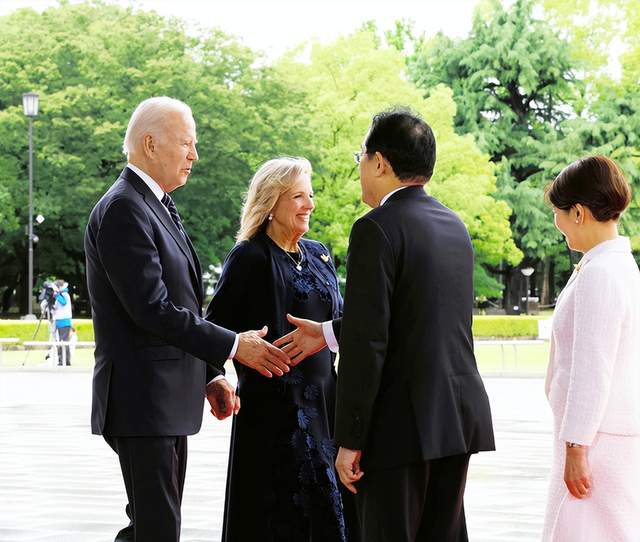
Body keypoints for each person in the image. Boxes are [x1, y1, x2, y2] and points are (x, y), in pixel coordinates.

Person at [275, 109, 495, 541]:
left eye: (361, 155)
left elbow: (370, 340)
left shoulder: (376, 228)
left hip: (399, 427)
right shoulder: (454, 225)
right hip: (454, 420)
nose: (360, 167)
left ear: (379, 162)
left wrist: (350, 439)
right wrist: (327, 332)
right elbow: (416, 318)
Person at [84, 97, 291, 542]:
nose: (194, 155)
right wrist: (235, 346)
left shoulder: (153, 203)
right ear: (150, 144)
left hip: (162, 400)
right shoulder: (124, 208)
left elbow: (179, 305)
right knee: (157, 529)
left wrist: (207, 377)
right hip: (142, 402)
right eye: (187, 143)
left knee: (152, 527)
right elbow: (152, 309)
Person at [205, 157, 357, 541]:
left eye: (311, 195)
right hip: (273, 417)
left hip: (328, 408)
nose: (310, 204)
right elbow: (211, 328)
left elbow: (343, 325)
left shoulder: (321, 255)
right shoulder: (249, 257)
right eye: (298, 196)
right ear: (271, 202)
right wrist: (216, 377)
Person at [542, 156, 640, 541]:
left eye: (559, 213)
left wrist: (576, 446)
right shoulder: (617, 266)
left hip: (596, 443)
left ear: (579, 212)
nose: (558, 224)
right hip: (608, 437)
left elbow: (592, 367)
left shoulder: (600, 273)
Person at [52, 279, 72, 366]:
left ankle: (65, 360)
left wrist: (56, 295)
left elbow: (63, 302)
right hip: (60, 321)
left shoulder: (64, 294)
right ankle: (61, 360)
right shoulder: (61, 294)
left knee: (64, 342)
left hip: (64, 321)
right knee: (60, 341)